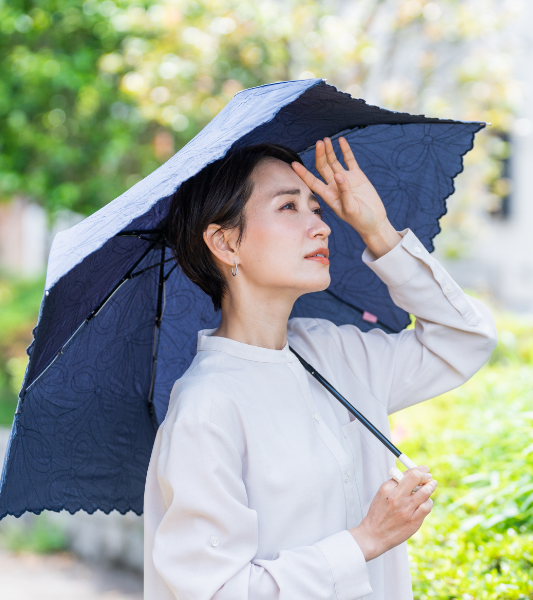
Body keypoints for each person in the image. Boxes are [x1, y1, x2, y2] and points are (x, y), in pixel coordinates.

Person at [144, 137, 498, 599]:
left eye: (316, 207)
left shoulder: (333, 352)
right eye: (289, 208)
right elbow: (216, 593)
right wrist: (365, 540)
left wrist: (379, 231)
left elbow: (465, 340)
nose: (321, 226)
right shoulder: (208, 408)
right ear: (226, 242)